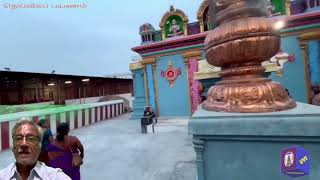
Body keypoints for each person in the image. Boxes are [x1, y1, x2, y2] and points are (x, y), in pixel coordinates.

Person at [0, 118, 71, 180]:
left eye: (31, 139)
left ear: (39, 146)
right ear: (13, 146)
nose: (24, 144)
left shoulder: (56, 177)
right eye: (18, 138)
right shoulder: (2, 176)